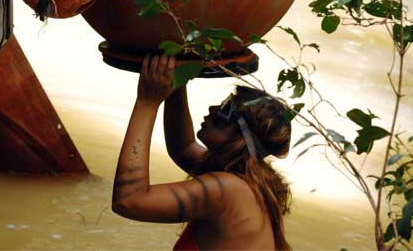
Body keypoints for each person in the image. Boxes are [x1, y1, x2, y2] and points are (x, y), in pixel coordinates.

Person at [112, 55, 293, 251]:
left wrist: (147, 102)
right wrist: (177, 79)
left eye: (225, 109)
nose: (212, 108)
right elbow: (183, 147)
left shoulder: (228, 189)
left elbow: (129, 200)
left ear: (242, 137)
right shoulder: (253, 177)